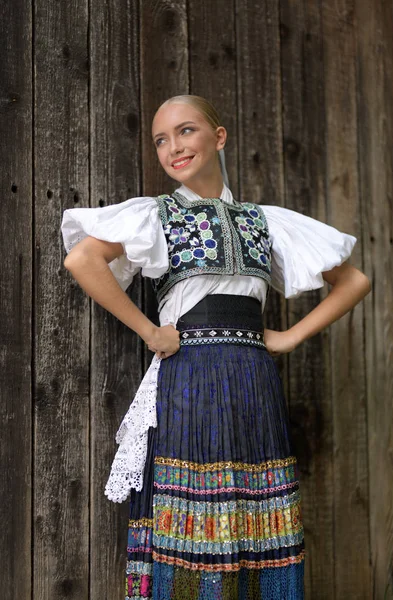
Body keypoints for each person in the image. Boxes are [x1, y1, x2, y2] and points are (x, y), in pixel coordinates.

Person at [60, 94, 371, 600]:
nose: (173, 147)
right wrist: (149, 331)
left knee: (252, 514)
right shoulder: (157, 215)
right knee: (195, 517)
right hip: (190, 377)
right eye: (161, 139)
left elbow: (353, 280)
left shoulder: (263, 221)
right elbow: (82, 260)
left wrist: (289, 336)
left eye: (186, 131)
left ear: (218, 137)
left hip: (252, 380)